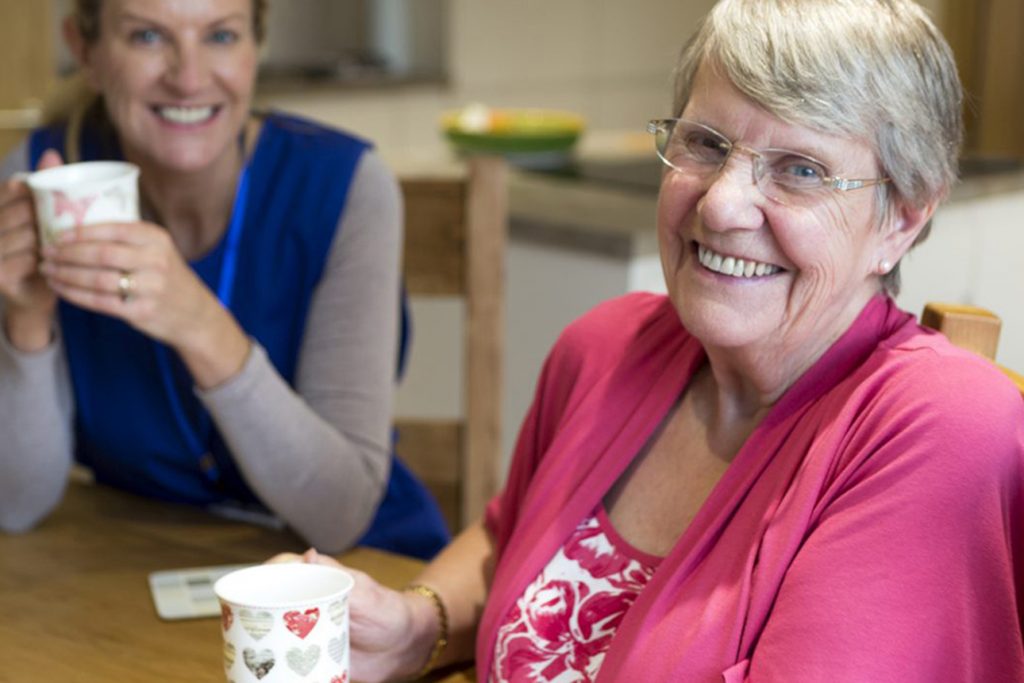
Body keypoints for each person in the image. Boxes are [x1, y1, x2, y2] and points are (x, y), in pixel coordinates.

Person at [271, 0, 1024, 680]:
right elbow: (511, 536)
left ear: (905, 216)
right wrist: (418, 623)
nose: (723, 203)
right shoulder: (605, 348)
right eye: (705, 143)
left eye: (800, 169)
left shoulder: (944, 428)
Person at [0, 0, 449, 560]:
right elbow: (16, 505)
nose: (188, 78)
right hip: (140, 561)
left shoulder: (345, 188)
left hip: (354, 576)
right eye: (146, 36)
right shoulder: (45, 177)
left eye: (220, 36)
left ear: (256, 47)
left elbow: (340, 515)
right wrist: (25, 320)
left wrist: (202, 326)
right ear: (85, 51)